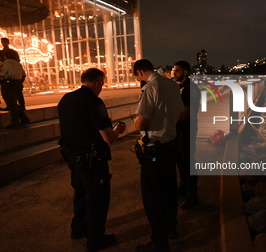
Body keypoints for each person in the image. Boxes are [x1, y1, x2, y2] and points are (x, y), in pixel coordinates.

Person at [57, 68, 126, 252]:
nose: (102, 87)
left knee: (80, 194)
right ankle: (95, 239)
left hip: (73, 157)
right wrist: (119, 130)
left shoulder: (66, 99)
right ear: (96, 82)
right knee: (97, 199)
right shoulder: (93, 102)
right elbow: (108, 137)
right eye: (102, 83)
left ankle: (78, 228)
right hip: (92, 160)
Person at [133, 59, 184, 252]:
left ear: (139, 72)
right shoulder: (171, 84)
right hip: (171, 145)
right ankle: (172, 229)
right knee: (170, 191)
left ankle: (159, 243)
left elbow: (140, 123)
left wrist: (136, 122)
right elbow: (179, 113)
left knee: (153, 198)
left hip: (155, 149)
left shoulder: (150, 87)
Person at [173, 61, 201, 210]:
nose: (173, 73)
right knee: (180, 160)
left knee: (189, 161)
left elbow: (189, 111)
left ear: (185, 72)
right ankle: (183, 187)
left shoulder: (191, 88)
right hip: (179, 129)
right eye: (173, 70)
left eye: (177, 71)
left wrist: (171, 120)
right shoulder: (180, 86)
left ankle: (192, 195)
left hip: (188, 128)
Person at [0, 49, 30, 128]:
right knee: (13, 103)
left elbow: (2, 74)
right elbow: (23, 74)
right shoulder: (17, 64)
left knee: (11, 104)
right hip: (18, 84)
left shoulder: (7, 62)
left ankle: (15, 123)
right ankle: (24, 118)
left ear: (5, 56)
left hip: (8, 84)